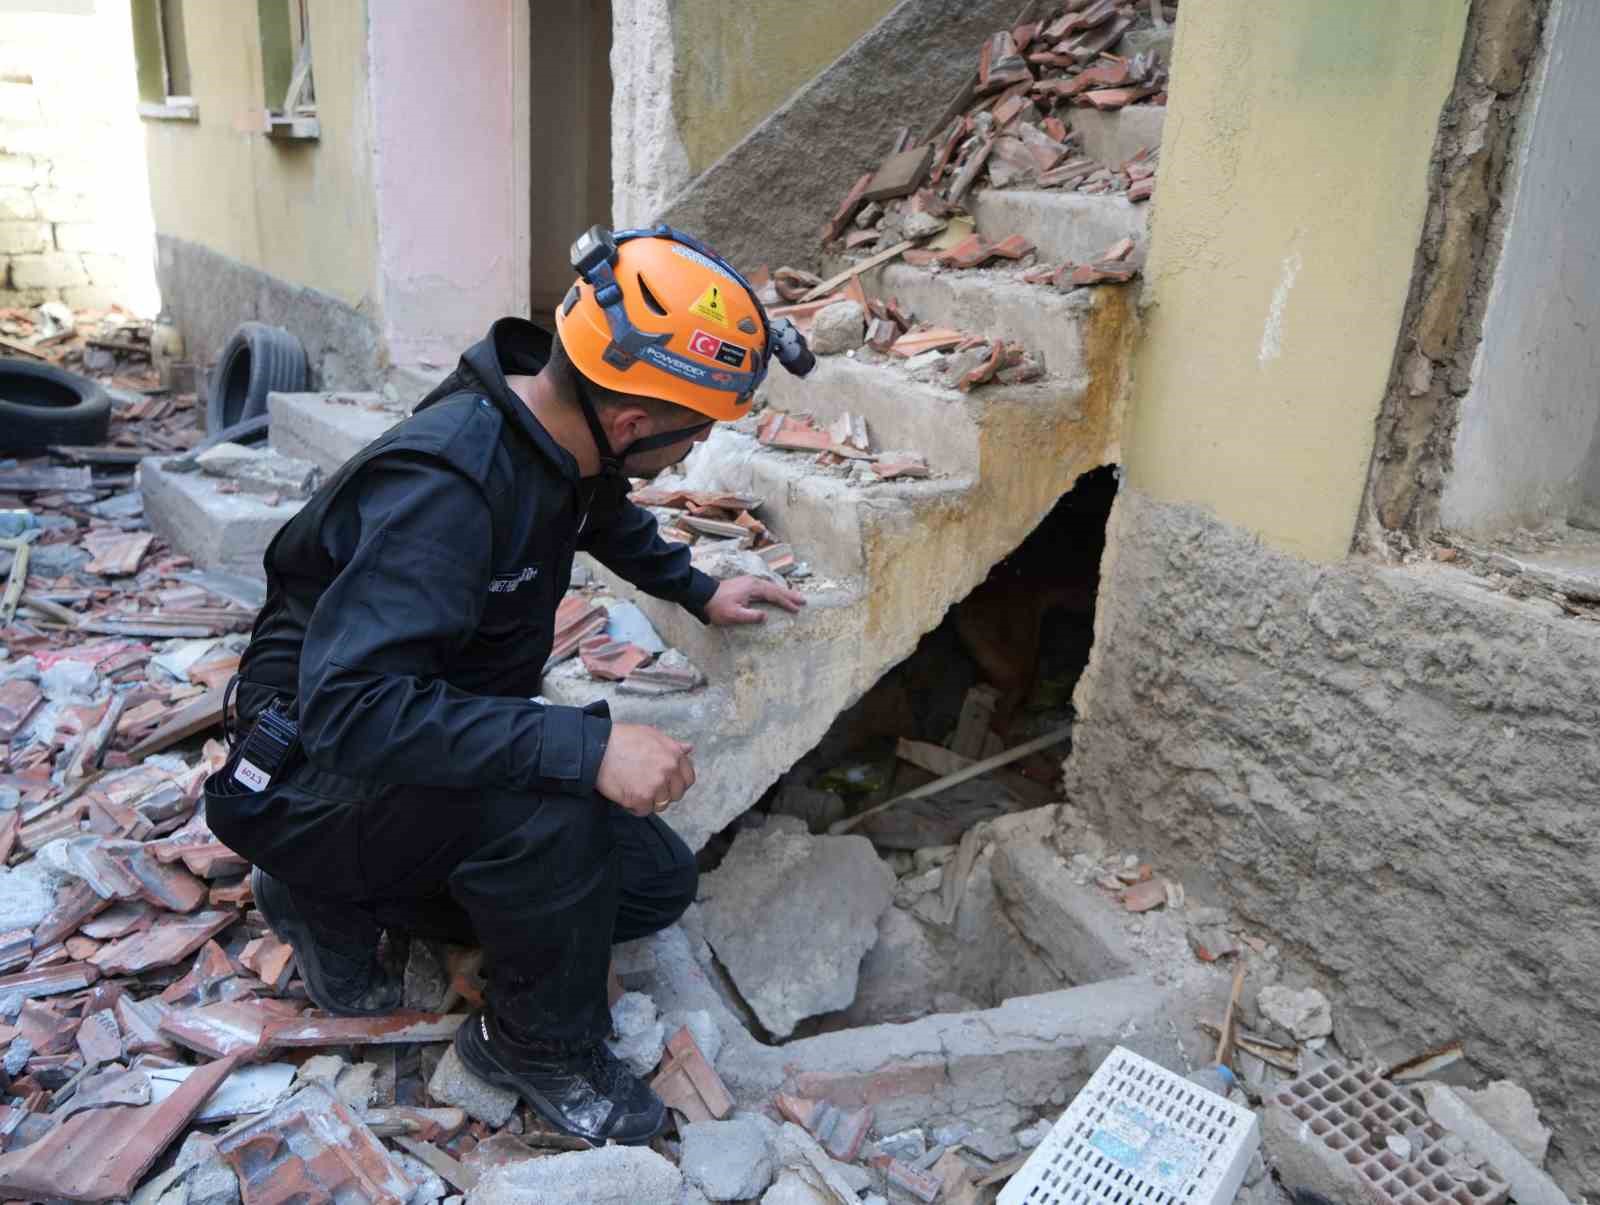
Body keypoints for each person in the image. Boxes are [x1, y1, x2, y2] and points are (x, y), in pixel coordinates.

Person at [206, 226, 810, 1145]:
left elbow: (597, 508)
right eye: (695, 435)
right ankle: (531, 1043)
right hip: (309, 770)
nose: (694, 456)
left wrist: (697, 585)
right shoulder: (446, 488)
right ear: (632, 423)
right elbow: (350, 709)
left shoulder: (551, 425)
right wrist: (589, 745)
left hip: (406, 738)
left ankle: (346, 892)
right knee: (555, 808)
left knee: (651, 883)